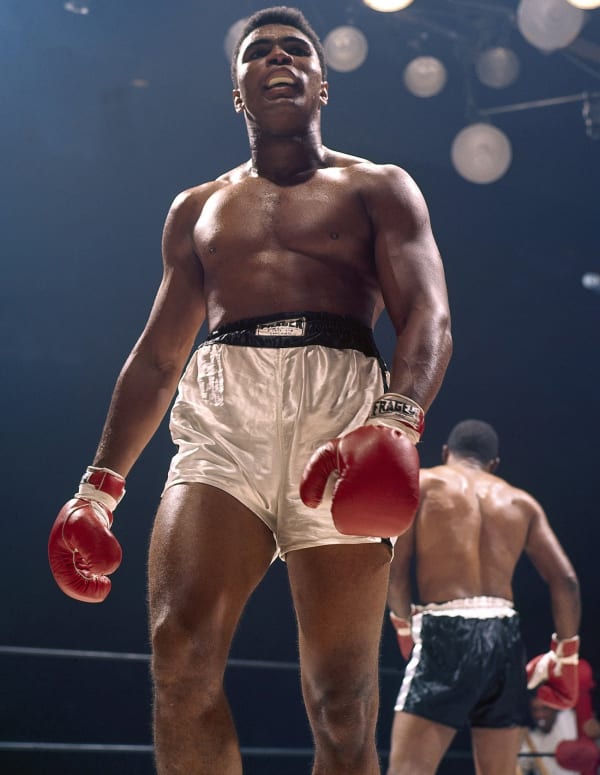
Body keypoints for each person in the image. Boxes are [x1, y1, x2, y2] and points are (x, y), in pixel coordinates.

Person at [47, 6, 452, 775]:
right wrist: (98, 488)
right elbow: (158, 357)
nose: (278, 59)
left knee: (342, 705)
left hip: (342, 419)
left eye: (296, 49)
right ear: (237, 90)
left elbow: (429, 316)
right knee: (179, 651)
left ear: (322, 83)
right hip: (223, 419)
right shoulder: (197, 209)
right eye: (259, 52)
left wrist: (397, 420)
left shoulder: (379, 187)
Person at [386, 419, 581, 775]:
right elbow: (566, 581)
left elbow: (395, 570)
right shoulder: (522, 502)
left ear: (446, 452)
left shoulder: (423, 483)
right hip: (505, 637)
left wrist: (402, 625)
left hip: (446, 629)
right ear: (494, 464)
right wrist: (566, 656)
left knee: (408, 770)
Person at [518, 694, 578, 775]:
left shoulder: (570, 720)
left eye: (545, 709)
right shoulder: (530, 738)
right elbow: (521, 765)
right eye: (535, 710)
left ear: (554, 708)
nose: (540, 714)